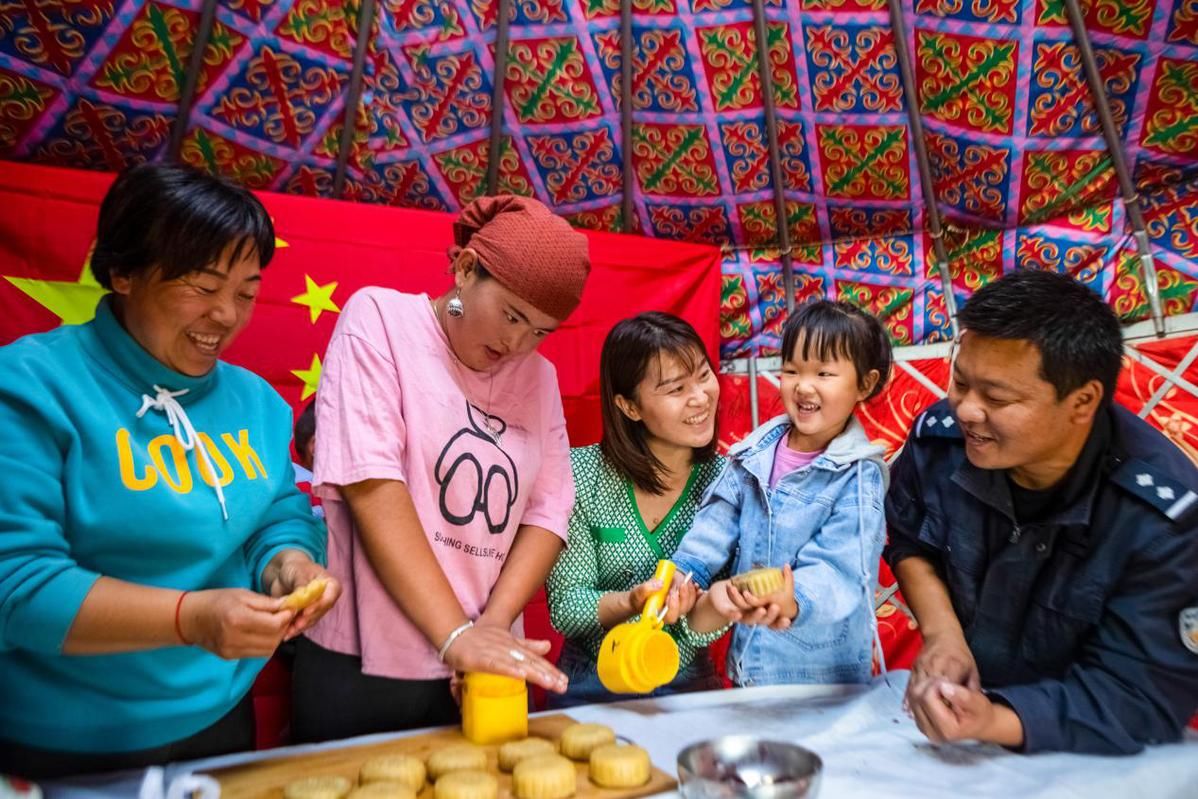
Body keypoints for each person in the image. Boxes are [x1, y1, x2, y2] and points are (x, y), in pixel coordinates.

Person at [0, 164, 337, 779]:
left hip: (219, 720)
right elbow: (16, 585)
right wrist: (193, 618)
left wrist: (289, 561)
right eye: (203, 286)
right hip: (67, 738)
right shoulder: (29, 386)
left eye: (246, 292)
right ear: (123, 271)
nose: (226, 316)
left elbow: (277, 512)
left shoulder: (257, 401)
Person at [292, 194, 590, 742]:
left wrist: (492, 630)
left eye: (541, 331)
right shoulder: (379, 319)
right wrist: (454, 636)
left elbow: (549, 512)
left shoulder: (539, 379)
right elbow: (372, 483)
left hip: (485, 663)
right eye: (511, 315)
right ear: (465, 268)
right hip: (364, 666)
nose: (518, 343)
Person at [884, 269, 1198, 755]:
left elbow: (1139, 696)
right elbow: (909, 540)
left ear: (1082, 401)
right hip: (964, 741)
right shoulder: (940, 440)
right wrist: (943, 634)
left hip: (1094, 761)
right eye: (960, 382)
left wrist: (994, 720)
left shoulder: (1165, 518)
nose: (966, 410)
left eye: (996, 397)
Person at [671, 300, 893, 686]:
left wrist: (795, 599)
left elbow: (840, 571)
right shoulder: (749, 456)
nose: (803, 386)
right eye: (791, 370)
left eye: (824, 373)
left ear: (865, 384)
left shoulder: (858, 477)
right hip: (751, 669)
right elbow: (714, 526)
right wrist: (684, 573)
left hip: (823, 681)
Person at [545, 312, 730, 706]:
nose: (700, 397)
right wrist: (631, 601)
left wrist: (700, 610)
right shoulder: (580, 475)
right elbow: (566, 606)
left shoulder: (728, 482)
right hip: (591, 682)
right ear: (629, 406)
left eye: (703, 375)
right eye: (676, 388)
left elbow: (710, 622)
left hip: (688, 684)